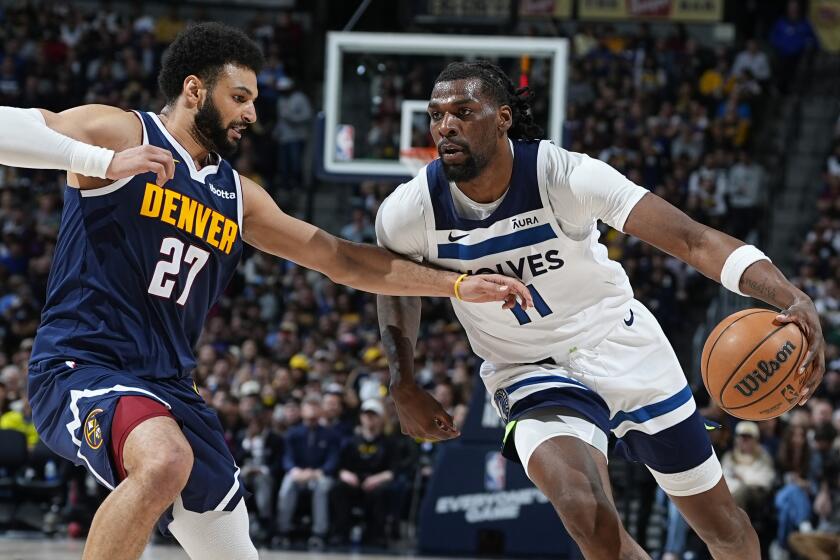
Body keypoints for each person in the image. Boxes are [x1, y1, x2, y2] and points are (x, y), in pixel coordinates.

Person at [0, 25, 532, 560]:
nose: (251, 114)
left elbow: (341, 259)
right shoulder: (121, 133)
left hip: (170, 388)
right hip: (82, 366)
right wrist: (100, 162)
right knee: (163, 461)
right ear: (193, 91)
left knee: (232, 547)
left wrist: (458, 284)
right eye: (239, 98)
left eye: (253, 100)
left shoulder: (238, 196)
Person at [376, 60, 826, 559]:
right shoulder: (410, 210)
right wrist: (403, 380)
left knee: (725, 528)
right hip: (527, 368)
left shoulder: (565, 175)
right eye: (436, 116)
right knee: (586, 515)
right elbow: (393, 284)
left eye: (463, 111)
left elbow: (693, 240)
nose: (446, 126)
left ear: (503, 117)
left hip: (622, 343)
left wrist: (790, 296)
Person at [275, 396, 337, 549]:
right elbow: (287, 458)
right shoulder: (293, 434)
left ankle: (319, 533)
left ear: (321, 411)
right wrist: (295, 471)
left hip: (320, 474)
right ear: (302, 412)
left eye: (316, 407)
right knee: (287, 486)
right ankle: (283, 530)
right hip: (298, 474)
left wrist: (317, 472)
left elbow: (332, 460)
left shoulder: (330, 435)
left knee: (321, 488)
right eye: (309, 407)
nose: (312, 412)